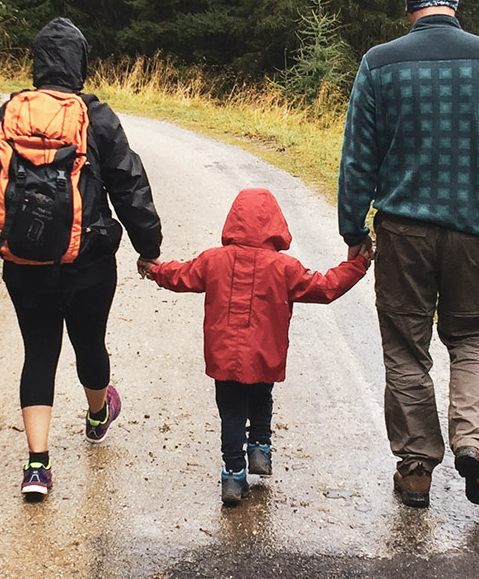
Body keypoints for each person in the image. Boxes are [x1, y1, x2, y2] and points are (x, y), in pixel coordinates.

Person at [337, 0, 479, 509]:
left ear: (410, 2)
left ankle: (415, 469)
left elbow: (357, 160)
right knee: (476, 339)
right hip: (475, 233)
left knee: (406, 350)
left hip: (403, 236)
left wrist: (352, 228)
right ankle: (474, 445)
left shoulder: (379, 66)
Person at [0, 17, 162, 501]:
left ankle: (37, 465)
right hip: (88, 262)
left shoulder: (7, 114)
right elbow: (129, 185)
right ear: (80, 64)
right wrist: (148, 248)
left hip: (24, 263)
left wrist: (3, 239)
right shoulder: (95, 117)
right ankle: (98, 415)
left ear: (37, 63)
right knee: (89, 343)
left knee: (39, 352)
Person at [149, 188, 370, 506]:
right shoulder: (285, 268)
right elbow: (324, 287)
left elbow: (180, 275)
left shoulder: (214, 260)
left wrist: (154, 268)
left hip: (224, 357)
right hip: (264, 355)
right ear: (275, 224)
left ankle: (233, 475)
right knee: (261, 398)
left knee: (232, 412)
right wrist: (358, 265)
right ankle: (260, 448)